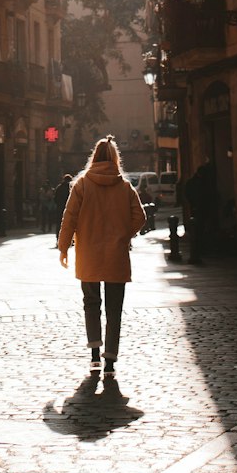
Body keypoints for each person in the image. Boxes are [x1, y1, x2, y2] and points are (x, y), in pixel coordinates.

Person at [57, 137, 144, 380]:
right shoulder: (125, 186)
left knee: (91, 303)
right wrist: (123, 234)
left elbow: (69, 218)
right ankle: (110, 360)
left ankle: (94, 354)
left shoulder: (82, 185)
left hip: (89, 255)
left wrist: (64, 247)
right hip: (116, 255)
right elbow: (140, 217)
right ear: (115, 158)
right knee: (114, 308)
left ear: (93, 157)